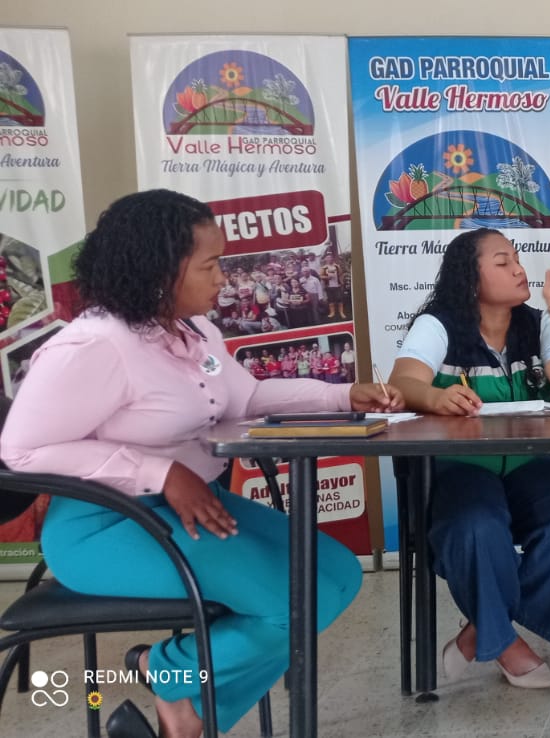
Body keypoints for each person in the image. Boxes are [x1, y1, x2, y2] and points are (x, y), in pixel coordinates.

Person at [0, 189, 402, 738]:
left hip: (192, 506)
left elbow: (247, 399)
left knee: (338, 575)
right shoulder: (94, 346)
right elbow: (21, 451)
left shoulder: (195, 332)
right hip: (106, 526)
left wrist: (342, 395)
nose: (223, 279)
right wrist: (160, 473)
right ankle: (174, 682)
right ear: (160, 270)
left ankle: (179, 700)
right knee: (293, 604)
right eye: (210, 265)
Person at [388, 228, 550, 689]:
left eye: (517, 259)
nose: (519, 269)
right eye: (503, 262)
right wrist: (435, 397)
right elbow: (402, 383)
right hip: (461, 465)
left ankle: (483, 629)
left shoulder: (537, 322)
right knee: (475, 526)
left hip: (531, 461)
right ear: (471, 279)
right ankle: (505, 642)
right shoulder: (439, 324)